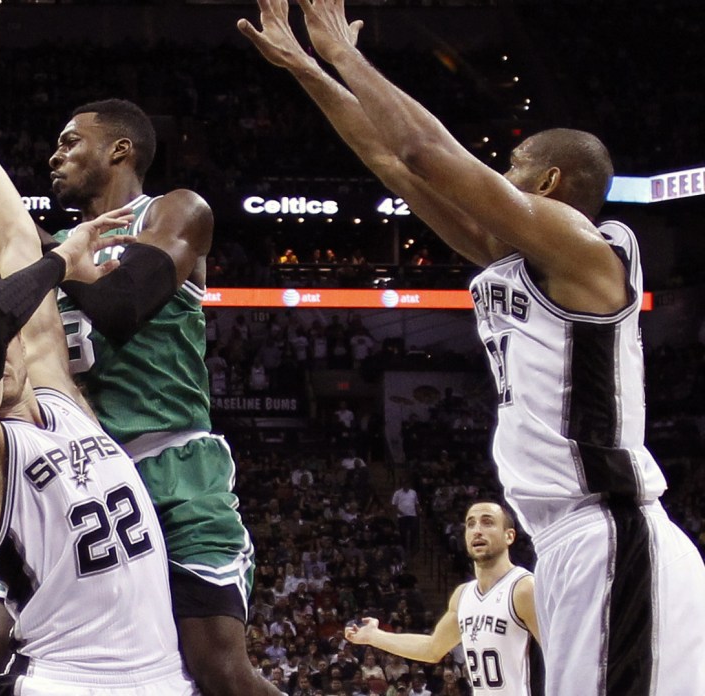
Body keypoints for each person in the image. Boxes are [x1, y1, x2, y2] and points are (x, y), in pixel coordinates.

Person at [238, 2, 705, 694]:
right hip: (570, 543)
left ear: (548, 183)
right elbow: (393, 163)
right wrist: (306, 68)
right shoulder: (511, 257)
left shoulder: (592, 251)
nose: (498, 175)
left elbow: (426, 152)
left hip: (613, 534)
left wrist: (344, 53)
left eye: (512, 165)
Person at [0, 61, 272, 696]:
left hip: (166, 462)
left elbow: (121, 306)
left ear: (120, 149)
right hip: (78, 463)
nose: (54, 155)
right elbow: (5, 257)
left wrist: (54, 260)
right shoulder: (62, 251)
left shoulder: (172, 211)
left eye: (70, 142)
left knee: (216, 668)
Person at [0, 209, 194, 694]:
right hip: (64, 679)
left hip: (163, 677)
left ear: (22, 341)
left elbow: (13, 239)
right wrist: (63, 260)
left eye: (10, 341)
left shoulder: (62, 399)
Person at [346, 502, 541, 695]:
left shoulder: (523, 588)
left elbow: (556, 653)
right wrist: (374, 636)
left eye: (487, 522)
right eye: (471, 524)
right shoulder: (463, 595)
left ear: (509, 536)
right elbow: (432, 649)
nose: (477, 530)